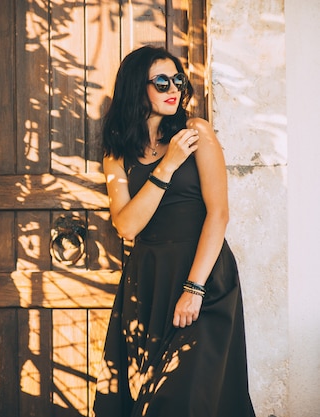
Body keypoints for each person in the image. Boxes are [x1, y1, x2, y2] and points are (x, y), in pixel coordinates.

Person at [92, 45, 256, 417]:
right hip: (148, 280)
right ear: (137, 88)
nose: (174, 88)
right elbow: (127, 225)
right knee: (145, 397)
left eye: (178, 79)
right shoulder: (118, 152)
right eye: (161, 81)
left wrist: (194, 288)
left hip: (203, 277)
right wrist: (167, 166)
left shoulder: (196, 132)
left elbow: (219, 214)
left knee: (187, 397)